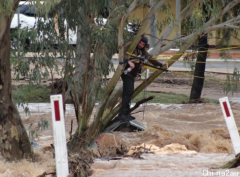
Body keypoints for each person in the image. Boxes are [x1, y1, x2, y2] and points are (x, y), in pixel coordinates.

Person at [116, 36, 165, 121]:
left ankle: (126, 113)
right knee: (128, 92)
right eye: (140, 43)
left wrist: (160, 64)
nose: (141, 45)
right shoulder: (131, 45)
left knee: (130, 92)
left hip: (132, 75)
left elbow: (150, 58)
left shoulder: (142, 50)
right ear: (138, 41)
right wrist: (128, 61)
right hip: (126, 73)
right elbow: (121, 53)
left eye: (143, 44)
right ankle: (122, 114)